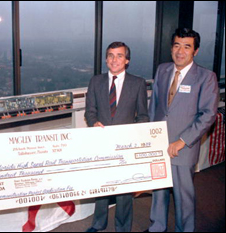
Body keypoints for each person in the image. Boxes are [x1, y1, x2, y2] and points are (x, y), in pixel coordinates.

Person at [147, 28, 219, 232]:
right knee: (159, 189)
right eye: (177, 45)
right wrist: (151, 135)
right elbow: (155, 105)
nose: (180, 51)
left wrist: (182, 141)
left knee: (183, 195)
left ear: (195, 51)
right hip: (159, 143)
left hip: (183, 147)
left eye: (186, 46)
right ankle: (157, 226)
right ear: (171, 48)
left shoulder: (206, 77)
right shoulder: (162, 69)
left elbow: (208, 115)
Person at [85, 42, 149, 232]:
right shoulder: (95, 81)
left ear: (127, 60)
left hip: (125, 146)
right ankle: (98, 224)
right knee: (102, 186)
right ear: (106, 59)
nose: (115, 60)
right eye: (111, 55)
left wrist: (133, 137)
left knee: (124, 191)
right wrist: (94, 122)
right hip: (102, 143)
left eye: (119, 55)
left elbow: (143, 116)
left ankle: (122, 228)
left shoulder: (137, 83)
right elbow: (90, 111)